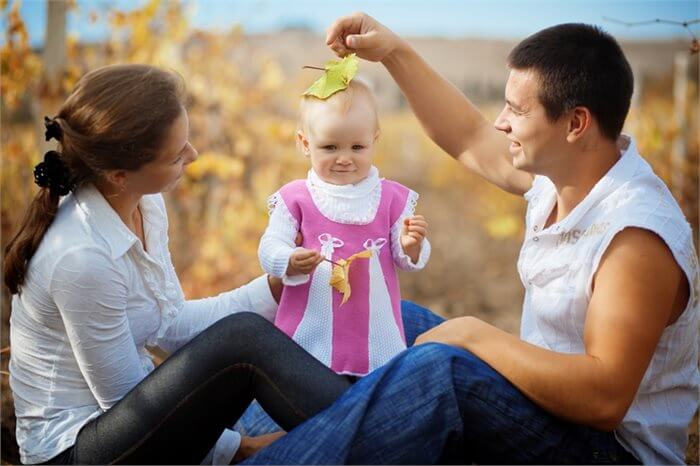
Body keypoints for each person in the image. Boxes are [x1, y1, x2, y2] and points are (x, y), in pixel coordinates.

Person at [243, 13, 699, 465]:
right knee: (374, 313)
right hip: (543, 408)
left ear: (576, 123)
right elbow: (466, 133)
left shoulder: (635, 234)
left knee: (441, 370)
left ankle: (274, 456)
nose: (500, 122)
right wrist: (394, 51)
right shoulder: (567, 174)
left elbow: (603, 400)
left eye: (517, 111)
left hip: (604, 451)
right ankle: (279, 441)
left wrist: (472, 336)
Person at [3, 64, 364, 465]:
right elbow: (125, 401)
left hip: (130, 423)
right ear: (120, 175)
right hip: (77, 452)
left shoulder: (146, 206)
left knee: (264, 334)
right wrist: (236, 449)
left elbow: (169, 324)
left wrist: (277, 287)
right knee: (244, 338)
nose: (193, 156)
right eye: (177, 155)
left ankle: (371, 410)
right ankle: (386, 430)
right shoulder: (82, 258)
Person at [258, 77, 430, 377]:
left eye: (357, 147)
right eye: (330, 146)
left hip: (375, 334)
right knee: (310, 394)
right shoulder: (296, 198)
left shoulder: (389, 198)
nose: (344, 158)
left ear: (374, 140)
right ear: (305, 143)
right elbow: (270, 245)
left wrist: (411, 246)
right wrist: (287, 259)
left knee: (372, 393)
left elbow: (402, 259)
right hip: (309, 332)